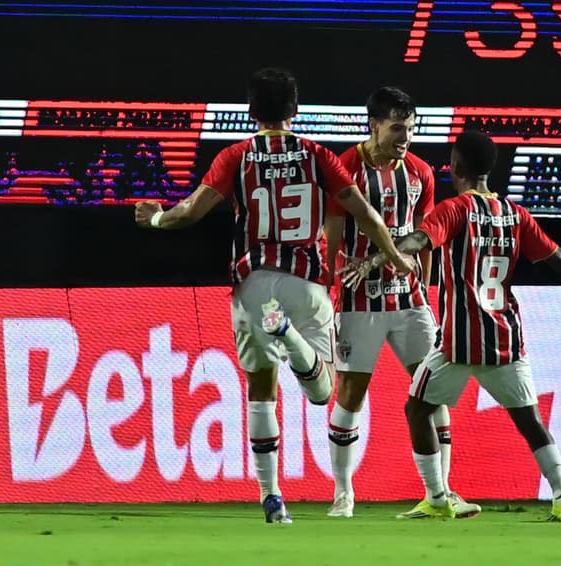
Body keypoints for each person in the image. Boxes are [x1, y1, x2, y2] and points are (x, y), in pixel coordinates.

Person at [134, 68, 415, 524]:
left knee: (260, 393)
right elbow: (364, 213)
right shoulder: (317, 154)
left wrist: (155, 219)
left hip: (253, 286)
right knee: (323, 393)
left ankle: (272, 497)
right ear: (295, 111)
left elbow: (189, 214)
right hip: (306, 282)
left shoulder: (236, 156)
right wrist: (394, 255)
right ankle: (291, 337)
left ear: (251, 112)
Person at [341, 131, 561, 520]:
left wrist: (374, 260)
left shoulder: (454, 210)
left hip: (459, 344)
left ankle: (436, 499)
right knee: (531, 422)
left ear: (457, 166)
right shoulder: (514, 214)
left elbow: (417, 240)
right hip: (506, 340)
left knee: (417, 409)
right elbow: (560, 257)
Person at [323, 87, 480, 519]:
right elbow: (331, 234)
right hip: (358, 302)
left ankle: (442, 492)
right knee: (351, 394)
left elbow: (426, 236)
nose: (405, 137)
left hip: (409, 301)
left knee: (434, 389)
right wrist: (334, 272)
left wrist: (426, 291)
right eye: (397, 128)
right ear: (373, 125)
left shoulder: (420, 173)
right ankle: (343, 493)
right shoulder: (345, 168)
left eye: (410, 129)